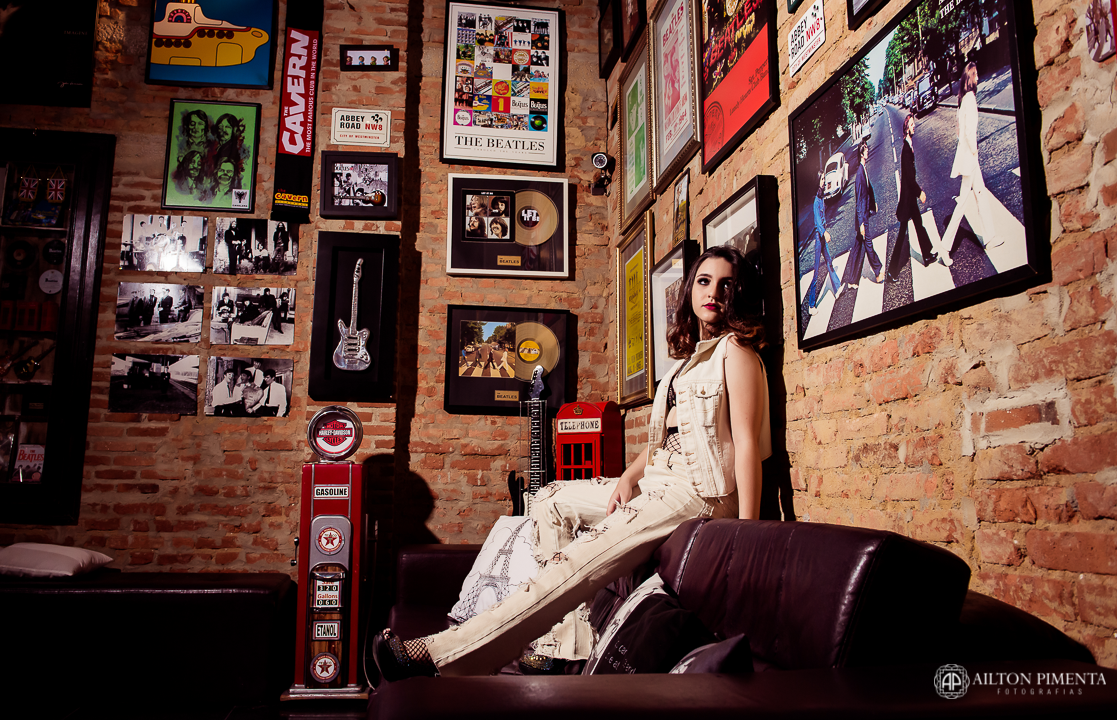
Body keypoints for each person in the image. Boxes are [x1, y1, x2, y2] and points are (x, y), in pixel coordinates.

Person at [372, 246, 772, 680]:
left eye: (726, 284)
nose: (713, 292)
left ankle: (437, 655)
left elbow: (746, 445)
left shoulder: (736, 353)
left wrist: (746, 532)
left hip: (698, 491)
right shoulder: (686, 362)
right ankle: (567, 647)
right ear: (690, 289)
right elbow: (665, 439)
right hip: (660, 478)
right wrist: (628, 477)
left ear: (738, 293)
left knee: (572, 562)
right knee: (549, 499)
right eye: (704, 281)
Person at [938, 62, 1002, 265]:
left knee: (980, 194)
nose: (978, 78)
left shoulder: (962, 100)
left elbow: (958, 132)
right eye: (975, 75)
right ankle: (944, 248)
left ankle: (990, 238)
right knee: (963, 203)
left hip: (967, 157)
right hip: (970, 158)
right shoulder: (970, 99)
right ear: (970, 78)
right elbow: (967, 132)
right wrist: (974, 151)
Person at [887, 113, 937, 282]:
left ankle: (927, 254)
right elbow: (909, 177)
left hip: (910, 198)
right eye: (912, 125)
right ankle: (892, 271)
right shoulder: (906, 150)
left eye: (914, 124)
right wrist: (919, 192)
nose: (914, 126)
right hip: (908, 199)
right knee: (902, 235)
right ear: (906, 129)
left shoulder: (909, 145)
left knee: (919, 224)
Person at [842, 142, 884, 288]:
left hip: (865, 213)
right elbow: (859, 199)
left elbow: (868, 190)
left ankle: (852, 280)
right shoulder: (860, 173)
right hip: (862, 217)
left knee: (857, 247)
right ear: (861, 154)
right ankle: (878, 271)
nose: (868, 151)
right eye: (865, 149)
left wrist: (873, 203)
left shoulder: (863, 169)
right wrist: (861, 223)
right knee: (868, 243)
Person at [805, 170, 842, 316]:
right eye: (822, 179)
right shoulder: (816, 201)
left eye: (824, 178)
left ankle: (837, 288)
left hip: (822, 235)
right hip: (818, 237)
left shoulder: (821, 197)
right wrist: (824, 232)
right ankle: (811, 305)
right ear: (817, 182)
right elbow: (817, 222)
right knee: (816, 272)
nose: (824, 181)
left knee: (829, 261)